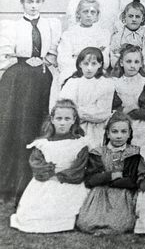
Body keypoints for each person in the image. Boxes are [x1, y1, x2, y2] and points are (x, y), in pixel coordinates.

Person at [0, 0, 61, 203]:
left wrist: (44, 62)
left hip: (42, 78)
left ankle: (38, 183)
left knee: (40, 125)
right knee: (18, 128)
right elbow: (4, 55)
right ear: (22, 2)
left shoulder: (50, 24)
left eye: (37, 1)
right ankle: (12, 184)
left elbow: (53, 52)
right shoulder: (12, 26)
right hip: (19, 79)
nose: (33, 5)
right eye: (29, 1)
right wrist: (22, 61)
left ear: (42, 1)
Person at [10, 99, 88, 233]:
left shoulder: (80, 143)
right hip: (45, 183)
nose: (62, 122)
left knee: (63, 211)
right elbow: (37, 164)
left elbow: (79, 168)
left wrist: (62, 175)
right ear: (52, 119)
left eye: (67, 118)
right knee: (33, 213)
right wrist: (51, 171)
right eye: (59, 118)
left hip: (69, 184)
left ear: (74, 120)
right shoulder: (43, 144)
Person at [76, 112, 141, 235]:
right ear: (107, 133)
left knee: (121, 223)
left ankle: (110, 229)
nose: (119, 136)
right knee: (86, 222)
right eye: (114, 131)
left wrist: (105, 179)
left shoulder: (134, 153)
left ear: (129, 134)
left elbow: (132, 180)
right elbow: (91, 179)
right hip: (101, 193)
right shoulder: (98, 152)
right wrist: (112, 175)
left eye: (123, 132)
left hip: (122, 194)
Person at [59, 47, 116, 149]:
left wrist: (77, 111)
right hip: (73, 128)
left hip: (95, 130)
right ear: (80, 64)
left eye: (94, 64)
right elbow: (65, 108)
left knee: (92, 154)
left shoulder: (106, 83)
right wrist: (87, 110)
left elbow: (102, 113)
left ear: (100, 64)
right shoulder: (72, 82)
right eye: (85, 64)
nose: (89, 68)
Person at [57, 0, 111, 86]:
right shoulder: (69, 34)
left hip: (95, 71)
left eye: (92, 12)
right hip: (73, 70)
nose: (89, 15)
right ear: (78, 14)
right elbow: (63, 60)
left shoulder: (102, 34)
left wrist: (78, 56)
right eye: (85, 12)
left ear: (97, 15)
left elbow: (105, 62)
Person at [111, 44, 145, 146]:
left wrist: (123, 111)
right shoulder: (115, 83)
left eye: (136, 62)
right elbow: (113, 108)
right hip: (120, 124)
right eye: (128, 61)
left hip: (140, 125)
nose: (132, 65)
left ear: (141, 64)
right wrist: (128, 109)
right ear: (121, 63)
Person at [110, 0, 145, 72]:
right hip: (122, 71)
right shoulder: (118, 36)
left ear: (142, 19)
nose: (134, 19)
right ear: (124, 17)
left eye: (137, 17)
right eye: (130, 16)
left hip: (142, 71)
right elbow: (114, 60)